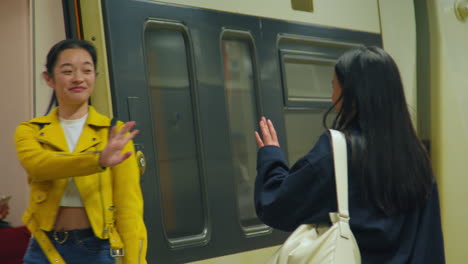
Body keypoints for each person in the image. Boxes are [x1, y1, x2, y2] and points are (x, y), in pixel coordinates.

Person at [254, 46, 445, 263]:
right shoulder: (417, 157)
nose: (332, 97)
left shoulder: (337, 151)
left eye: (334, 87)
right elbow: (431, 243)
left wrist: (271, 156)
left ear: (351, 94)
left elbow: (277, 207)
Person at [15, 39, 147, 264]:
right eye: (67, 71)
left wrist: (136, 261)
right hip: (44, 248)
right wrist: (98, 160)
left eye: (87, 70)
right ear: (49, 79)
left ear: (95, 77)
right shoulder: (31, 130)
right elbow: (39, 165)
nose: (78, 78)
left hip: (98, 248)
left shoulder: (114, 133)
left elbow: (129, 209)